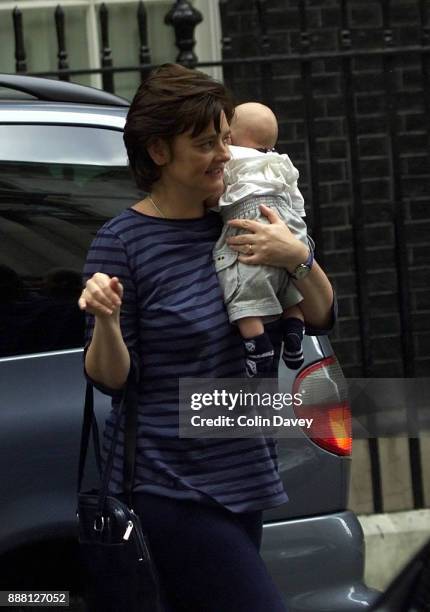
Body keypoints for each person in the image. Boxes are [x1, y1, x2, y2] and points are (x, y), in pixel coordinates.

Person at [78, 63, 335, 612]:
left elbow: (318, 315)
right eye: (205, 143)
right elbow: (110, 378)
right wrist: (105, 318)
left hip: (246, 473)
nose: (224, 153)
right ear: (158, 152)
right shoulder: (121, 243)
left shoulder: (238, 218)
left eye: (224, 138)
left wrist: (298, 257)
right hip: (173, 486)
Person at [213, 102, 312, 376]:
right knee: (286, 289)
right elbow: (296, 201)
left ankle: (258, 345)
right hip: (286, 224)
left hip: (251, 218)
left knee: (240, 289)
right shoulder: (280, 162)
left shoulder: (231, 156)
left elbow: (217, 193)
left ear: (231, 138)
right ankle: (293, 328)